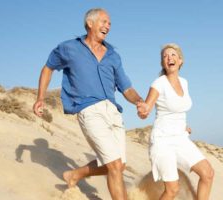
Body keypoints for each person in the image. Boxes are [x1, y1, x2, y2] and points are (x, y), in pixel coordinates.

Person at [33, 8, 143, 200]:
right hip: (89, 110)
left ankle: (74, 175)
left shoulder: (113, 55)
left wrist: (140, 101)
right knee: (115, 166)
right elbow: (48, 68)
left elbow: (126, 88)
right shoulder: (69, 48)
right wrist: (40, 97)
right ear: (90, 23)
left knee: (119, 165)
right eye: (104, 21)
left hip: (113, 112)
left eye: (109, 23)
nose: (108, 26)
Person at [137, 43, 214, 200]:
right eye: (165, 56)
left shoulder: (184, 82)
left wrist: (183, 126)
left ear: (180, 60)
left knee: (208, 173)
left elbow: (177, 109)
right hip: (162, 141)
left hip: (180, 137)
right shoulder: (159, 83)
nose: (169, 58)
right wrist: (143, 109)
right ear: (162, 63)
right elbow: (147, 107)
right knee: (172, 190)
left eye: (172, 55)